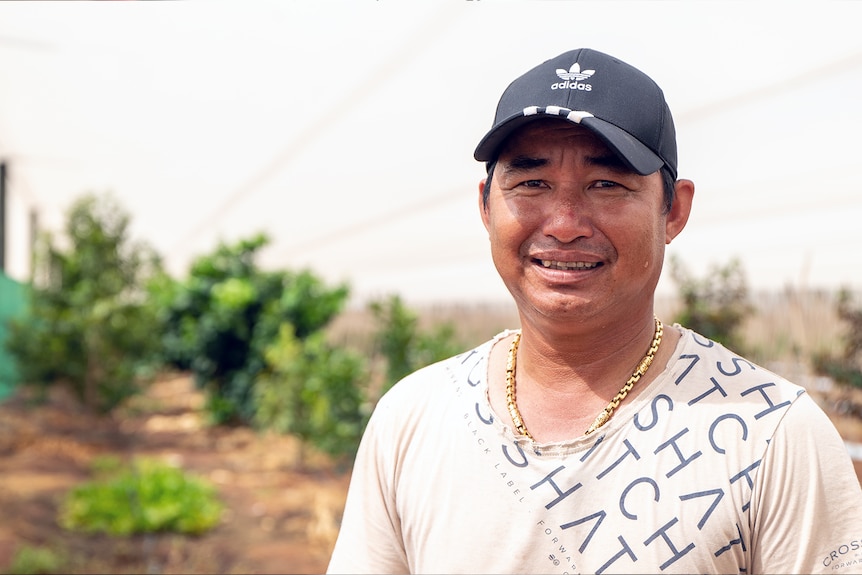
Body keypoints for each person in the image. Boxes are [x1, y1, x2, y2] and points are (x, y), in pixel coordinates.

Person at [327, 48, 862, 574]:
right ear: (486, 205)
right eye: (531, 183)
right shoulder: (417, 417)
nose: (564, 223)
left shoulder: (768, 433)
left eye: (607, 184)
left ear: (673, 210)